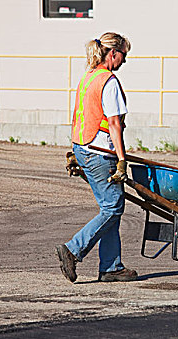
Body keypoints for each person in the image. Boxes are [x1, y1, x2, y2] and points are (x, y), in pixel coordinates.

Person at [56, 32, 137, 283]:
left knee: (109, 208)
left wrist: (76, 153)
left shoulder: (88, 77)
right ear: (113, 53)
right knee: (113, 207)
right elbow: (114, 123)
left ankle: (111, 267)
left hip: (84, 148)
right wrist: (122, 160)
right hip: (100, 153)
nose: (124, 61)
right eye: (123, 55)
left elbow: (81, 115)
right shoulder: (108, 81)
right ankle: (73, 250)